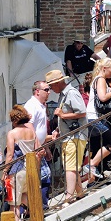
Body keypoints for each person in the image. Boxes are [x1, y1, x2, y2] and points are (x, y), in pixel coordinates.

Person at [46, 69, 88, 203]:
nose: (51, 89)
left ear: (58, 83)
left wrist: (62, 115)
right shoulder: (63, 95)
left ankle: (68, 197)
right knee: (71, 166)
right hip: (68, 135)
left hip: (75, 136)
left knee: (70, 167)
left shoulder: (71, 93)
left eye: (51, 86)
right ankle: (80, 192)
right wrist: (58, 129)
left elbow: (81, 112)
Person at [85, 58, 111, 182]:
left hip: (91, 117)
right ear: (104, 68)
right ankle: (92, 165)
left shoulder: (96, 79)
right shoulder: (101, 79)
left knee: (98, 147)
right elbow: (102, 97)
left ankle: (93, 179)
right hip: (95, 117)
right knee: (110, 143)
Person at [5, 105, 38, 221]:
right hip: (30, 167)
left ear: (14, 120)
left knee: (14, 203)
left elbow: (10, 155)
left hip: (17, 169)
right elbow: (36, 150)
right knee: (25, 195)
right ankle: (34, 217)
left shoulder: (12, 133)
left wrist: (5, 170)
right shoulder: (31, 132)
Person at [24, 81, 53, 208]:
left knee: (43, 176)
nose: (49, 92)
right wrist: (37, 146)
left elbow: (41, 128)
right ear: (37, 91)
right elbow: (28, 125)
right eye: (46, 90)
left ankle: (40, 205)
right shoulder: (32, 105)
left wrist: (46, 147)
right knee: (42, 176)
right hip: (31, 148)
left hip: (39, 146)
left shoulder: (41, 105)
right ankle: (40, 206)